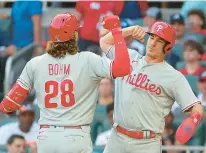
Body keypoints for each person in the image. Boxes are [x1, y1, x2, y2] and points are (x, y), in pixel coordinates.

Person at [0, 13, 130, 153]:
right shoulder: (88, 59)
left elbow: (7, 107)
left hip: (46, 138)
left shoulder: (35, 63)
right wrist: (117, 32)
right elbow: (123, 68)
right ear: (74, 35)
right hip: (75, 135)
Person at [100, 21, 204, 153]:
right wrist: (130, 30)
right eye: (152, 37)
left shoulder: (173, 76)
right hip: (117, 138)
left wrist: (193, 120)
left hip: (146, 143)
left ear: (168, 47)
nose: (153, 43)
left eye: (160, 41)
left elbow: (197, 108)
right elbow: (104, 41)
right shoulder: (129, 56)